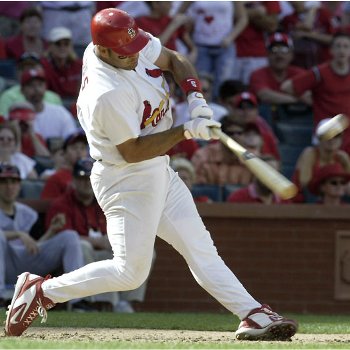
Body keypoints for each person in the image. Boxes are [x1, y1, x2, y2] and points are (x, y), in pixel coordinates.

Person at [5, 8, 297, 341]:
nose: (135, 56)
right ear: (102, 51)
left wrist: (195, 97)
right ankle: (41, 291)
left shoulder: (124, 41)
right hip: (125, 178)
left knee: (200, 247)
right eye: (125, 54)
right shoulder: (105, 94)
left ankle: (252, 313)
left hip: (157, 168)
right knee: (129, 273)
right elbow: (133, 150)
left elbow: (173, 60)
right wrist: (186, 130)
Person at [46, 158, 153, 312]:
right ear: (74, 180)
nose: (86, 183)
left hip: (107, 252)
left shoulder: (107, 201)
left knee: (141, 248)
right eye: (82, 178)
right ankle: (89, 303)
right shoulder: (62, 204)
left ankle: (125, 303)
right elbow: (64, 239)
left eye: (89, 178)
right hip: (82, 256)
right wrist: (98, 242)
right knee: (82, 246)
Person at [0, 163, 84, 307]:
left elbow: (35, 247)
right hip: (5, 263)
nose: (9, 187)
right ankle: (1, 296)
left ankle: (78, 301)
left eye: (13, 182)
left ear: (19, 185)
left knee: (70, 236)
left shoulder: (28, 213)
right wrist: (18, 234)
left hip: (26, 262)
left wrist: (51, 230)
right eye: (4, 182)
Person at [280, 32, 350, 153]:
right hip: (327, 133)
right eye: (338, 46)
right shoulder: (320, 72)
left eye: (345, 46)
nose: (341, 50)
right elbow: (287, 87)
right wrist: (307, 99)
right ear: (331, 50)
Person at [186, 1, 248, 99]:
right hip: (201, 46)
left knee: (223, 84)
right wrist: (190, 43)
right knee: (201, 84)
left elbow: (243, 19)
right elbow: (180, 15)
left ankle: (220, 111)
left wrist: (230, 37)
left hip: (224, 47)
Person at [191, 117, 262, 186]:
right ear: (220, 135)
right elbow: (196, 189)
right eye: (230, 133)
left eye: (239, 133)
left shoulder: (252, 158)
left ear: (245, 135)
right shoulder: (203, 156)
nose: (235, 137)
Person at [292, 118, 350, 203]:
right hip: (308, 204)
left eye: (336, 135)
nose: (332, 139)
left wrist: (347, 165)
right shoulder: (310, 154)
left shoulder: (342, 157)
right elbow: (305, 187)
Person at [249, 32, 310, 106]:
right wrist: (298, 100)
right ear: (267, 54)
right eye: (274, 50)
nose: (279, 55)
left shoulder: (301, 74)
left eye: (284, 50)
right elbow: (264, 95)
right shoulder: (257, 74)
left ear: (292, 54)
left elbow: (310, 95)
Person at [20, 66, 78, 140]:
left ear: (45, 87)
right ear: (22, 90)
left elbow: (71, 141)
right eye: (31, 85)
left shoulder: (60, 113)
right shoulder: (16, 116)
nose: (37, 89)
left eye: (40, 85)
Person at [0, 53, 63, 117]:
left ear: (43, 70)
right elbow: (3, 123)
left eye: (33, 68)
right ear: (18, 72)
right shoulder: (8, 96)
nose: (30, 72)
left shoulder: (54, 97)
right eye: (24, 68)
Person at [40, 131, 88, 199]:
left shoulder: (93, 177)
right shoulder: (56, 178)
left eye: (83, 148)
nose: (79, 151)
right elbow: (50, 205)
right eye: (74, 148)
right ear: (64, 153)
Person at [41, 26, 83, 99]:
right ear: (50, 46)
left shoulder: (80, 65)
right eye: (58, 44)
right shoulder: (42, 66)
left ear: (70, 46)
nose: (62, 47)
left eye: (66, 44)